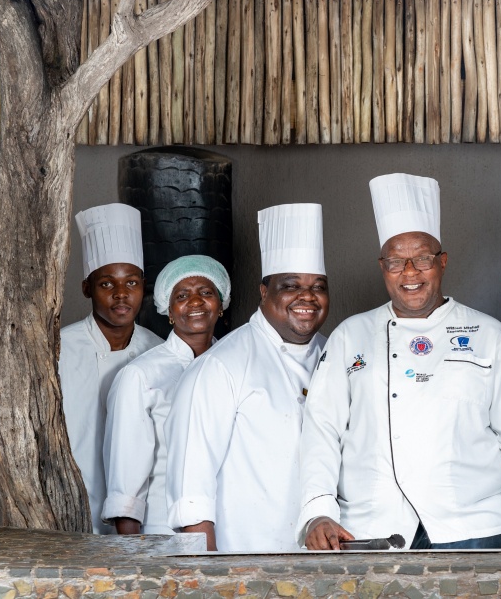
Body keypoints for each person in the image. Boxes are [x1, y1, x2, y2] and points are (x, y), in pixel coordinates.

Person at [299, 173, 501, 551]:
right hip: (373, 527)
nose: (409, 273)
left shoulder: (489, 336)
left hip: (473, 530)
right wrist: (317, 510)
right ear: (383, 267)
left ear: (441, 262)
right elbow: (322, 429)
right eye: (396, 262)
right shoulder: (351, 335)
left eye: (422, 259)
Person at [166, 203, 329, 552]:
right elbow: (191, 490)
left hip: (325, 561)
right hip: (246, 560)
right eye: (291, 285)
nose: (308, 297)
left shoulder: (336, 357)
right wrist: (207, 578)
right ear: (264, 292)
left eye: (318, 286)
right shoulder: (221, 367)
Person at [102, 255, 230, 535]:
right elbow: (125, 480)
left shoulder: (236, 366)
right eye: (182, 295)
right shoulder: (141, 376)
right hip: (164, 533)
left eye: (206, 293)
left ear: (221, 305)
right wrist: (133, 557)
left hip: (233, 528)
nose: (195, 302)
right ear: (169, 310)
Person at [58, 203, 163, 534]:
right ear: (87, 287)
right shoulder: (58, 350)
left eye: (131, 282)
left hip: (140, 516)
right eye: (107, 284)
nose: (121, 295)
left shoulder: (159, 351)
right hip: (69, 508)